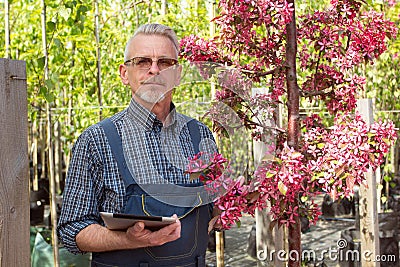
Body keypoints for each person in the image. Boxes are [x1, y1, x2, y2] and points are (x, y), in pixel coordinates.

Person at [57, 23, 218, 267]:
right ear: (124, 73)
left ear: (178, 74)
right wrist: (127, 239)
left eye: (165, 63)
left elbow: (210, 216)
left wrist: (235, 202)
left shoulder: (201, 136)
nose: (155, 70)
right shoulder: (97, 140)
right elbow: (71, 230)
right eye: (143, 61)